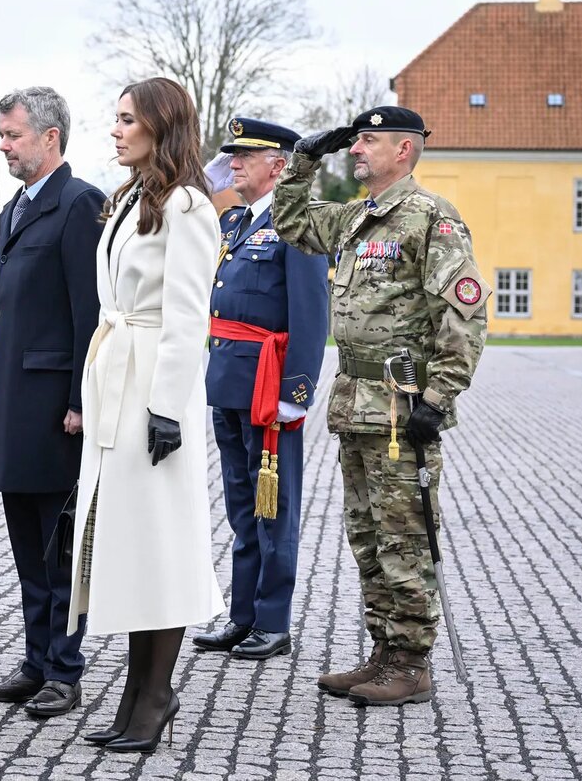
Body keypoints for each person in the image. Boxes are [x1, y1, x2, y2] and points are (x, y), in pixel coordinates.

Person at [271, 105, 489, 705]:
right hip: (355, 404)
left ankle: (412, 663)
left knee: (405, 537)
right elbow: (291, 223)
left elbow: (465, 317)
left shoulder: (430, 219)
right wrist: (304, 160)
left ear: (405, 151)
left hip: (401, 407)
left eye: (370, 140)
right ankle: (384, 652)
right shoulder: (356, 218)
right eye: (356, 139)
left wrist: (438, 399)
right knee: (367, 535)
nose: (358, 148)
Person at [68, 77, 225, 753]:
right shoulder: (133, 198)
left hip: (155, 392)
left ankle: (155, 694)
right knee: (129, 543)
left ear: (161, 128)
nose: (115, 129)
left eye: (128, 119)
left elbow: (190, 313)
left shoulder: (188, 206)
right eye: (117, 118)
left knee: (159, 544)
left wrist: (166, 406)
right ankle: (137, 691)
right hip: (118, 379)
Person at [0, 87, 104, 717]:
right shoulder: (17, 207)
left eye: (13, 135)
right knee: (26, 542)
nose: (4, 146)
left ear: (51, 137)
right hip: (14, 402)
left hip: (56, 407)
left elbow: (90, 312)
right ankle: (34, 660)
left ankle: (64, 669)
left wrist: (81, 397)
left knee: (59, 546)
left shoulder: (80, 204)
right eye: (1, 135)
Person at [194, 118, 328, 661]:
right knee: (241, 505)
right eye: (232, 157)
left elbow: (311, 313)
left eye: (245, 156)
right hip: (229, 382)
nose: (233, 165)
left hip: (268, 386)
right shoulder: (234, 225)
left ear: (278, 165)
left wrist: (295, 390)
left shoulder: (297, 224)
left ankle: (272, 620)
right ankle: (242, 614)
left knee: (275, 506)